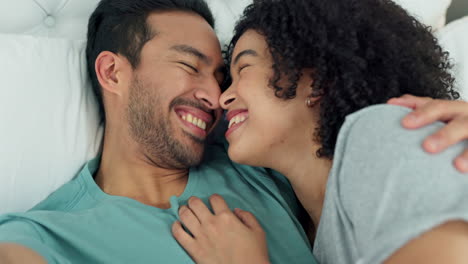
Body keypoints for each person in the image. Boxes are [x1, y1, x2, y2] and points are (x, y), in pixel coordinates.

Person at [0, 0, 316, 263]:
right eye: (190, 66)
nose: (215, 96)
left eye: (219, 78)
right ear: (112, 73)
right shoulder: (40, 239)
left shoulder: (255, 163)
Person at [171, 0, 468, 263]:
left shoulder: (380, 134)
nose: (224, 98)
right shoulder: (311, 237)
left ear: (315, 80)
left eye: (244, 68)